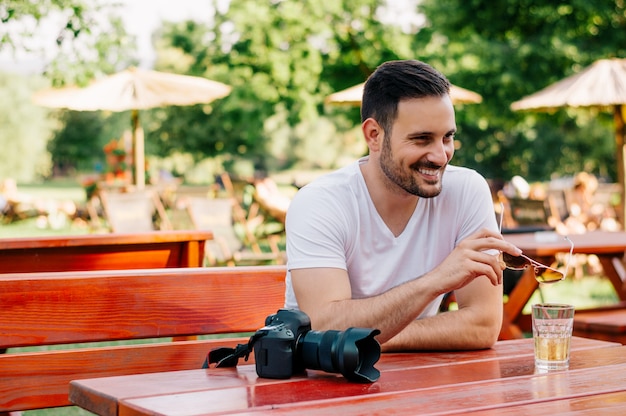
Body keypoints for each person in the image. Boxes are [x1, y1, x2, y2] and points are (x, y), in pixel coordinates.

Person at [284, 60, 523, 352]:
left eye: (448, 137)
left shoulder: (466, 191)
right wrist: (435, 281)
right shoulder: (321, 202)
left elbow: (483, 325)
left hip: (417, 380)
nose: (440, 156)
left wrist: (370, 338)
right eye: (422, 139)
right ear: (374, 135)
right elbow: (326, 326)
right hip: (323, 385)